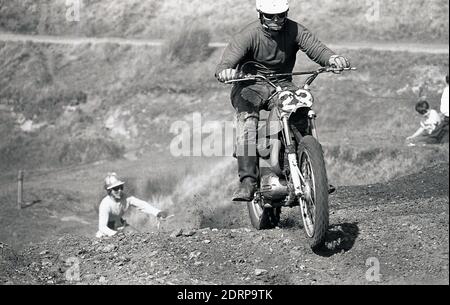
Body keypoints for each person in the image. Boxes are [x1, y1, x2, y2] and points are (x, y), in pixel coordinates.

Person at [215, 0, 350, 201]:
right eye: (270, 16)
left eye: (281, 15)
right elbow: (226, 62)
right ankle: (248, 181)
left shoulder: (295, 29)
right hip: (249, 86)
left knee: (300, 111)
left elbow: (317, 49)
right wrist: (225, 71)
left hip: (282, 85)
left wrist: (332, 59)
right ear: (260, 15)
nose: (276, 20)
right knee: (248, 122)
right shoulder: (248, 35)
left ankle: (312, 171)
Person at [96, 173, 169, 238]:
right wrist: (116, 234)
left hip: (120, 226)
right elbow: (102, 227)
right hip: (106, 233)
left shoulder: (126, 198)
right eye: (115, 188)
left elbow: (142, 205)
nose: (119, 190)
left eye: (121, 187)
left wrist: (157, 212)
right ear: (109, 191)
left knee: (137, 236)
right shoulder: (105, 204)